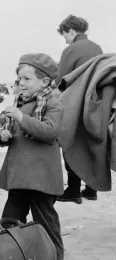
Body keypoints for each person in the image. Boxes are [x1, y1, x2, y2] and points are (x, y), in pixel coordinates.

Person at [0, 53, 64, 260]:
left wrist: (21, 118)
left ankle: (54, 255)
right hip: (20, 176)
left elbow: (49, 132)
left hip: (41, 177)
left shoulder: (54, 104)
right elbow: (12, 133)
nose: (21, 84)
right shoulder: (20, 103)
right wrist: (4, 137)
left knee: (45, 223)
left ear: (44, 81)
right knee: (9, 219)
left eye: (27, 79)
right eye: (19, 79)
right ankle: (11, 254)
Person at [56, 15, 103, 203]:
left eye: (64, 35)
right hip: (95, 103)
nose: (65, 39)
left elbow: (62, 80)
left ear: (71, 31)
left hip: (76, 103)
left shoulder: (71, 49)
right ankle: (92, 189)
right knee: (91, 144)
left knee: (70, 142)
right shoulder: (97, 47)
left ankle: (74, 190)